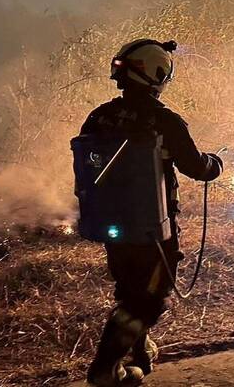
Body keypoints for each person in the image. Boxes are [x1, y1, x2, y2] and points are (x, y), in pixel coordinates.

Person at [80, 39, 223, 386]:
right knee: (149, 300)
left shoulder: (98, 117)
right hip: (153, 230)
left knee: (129, 287)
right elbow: (196, 166)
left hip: (112, 226)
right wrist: (216, 163)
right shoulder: (163, 120)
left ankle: (140, 351)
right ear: (158, 74)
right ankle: (105, 368)